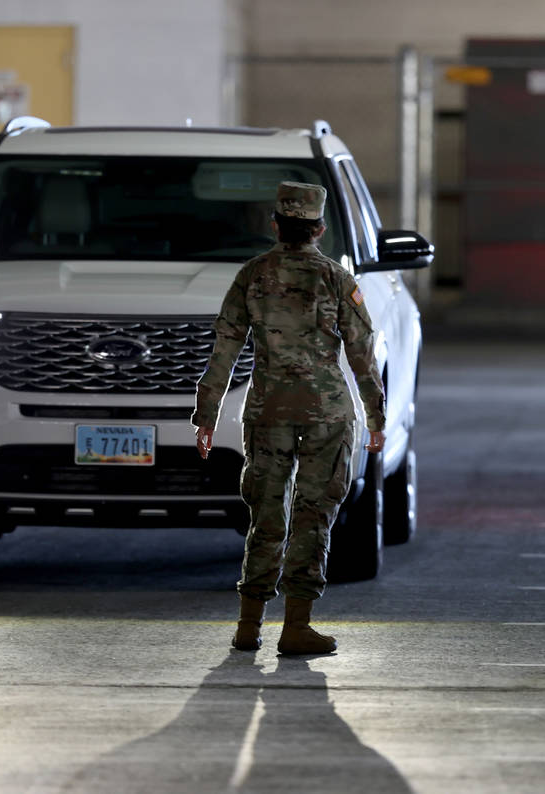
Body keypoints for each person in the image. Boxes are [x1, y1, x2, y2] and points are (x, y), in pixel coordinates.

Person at [192, 181, 385, 656]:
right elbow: (362, 354)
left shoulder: (252, 275)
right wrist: (376, 415)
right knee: (313, 518)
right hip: (326, 414)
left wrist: (207, 413)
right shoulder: (337, 279)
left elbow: (224, 350)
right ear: (319, 228)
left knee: (265, 516)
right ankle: (297, 627)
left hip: (267, 411)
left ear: (275, 224)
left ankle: (248, 626)